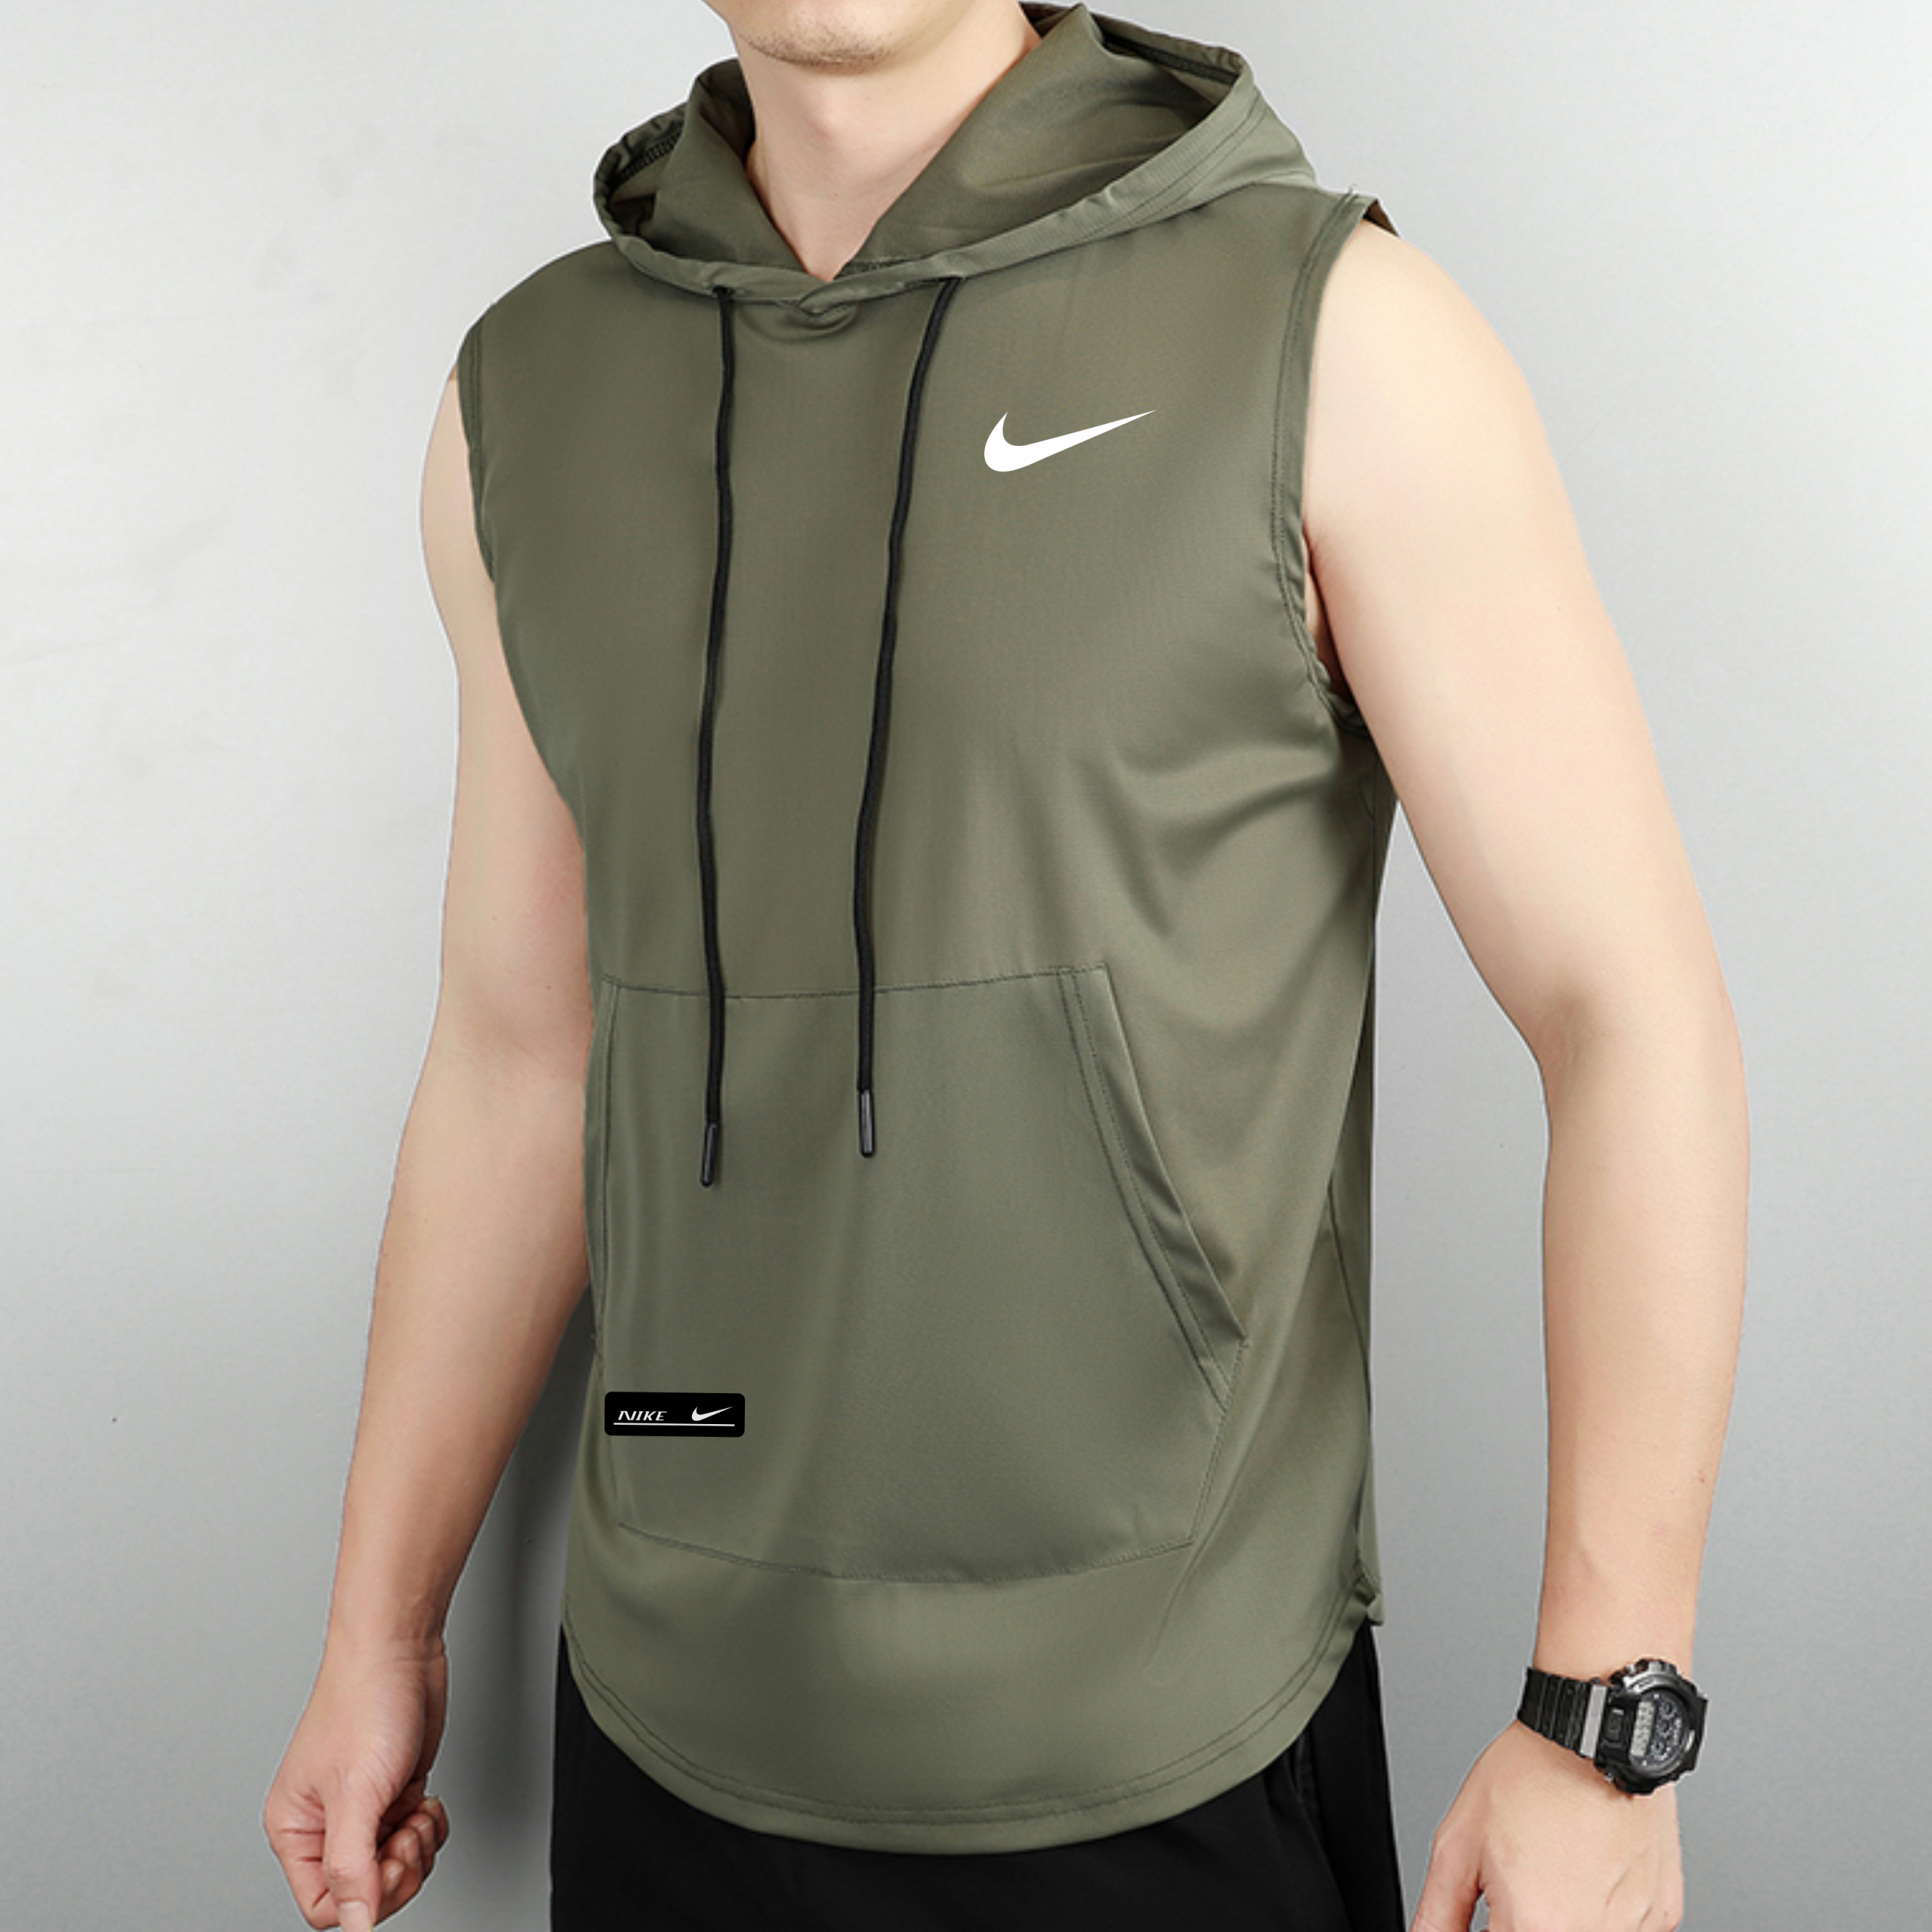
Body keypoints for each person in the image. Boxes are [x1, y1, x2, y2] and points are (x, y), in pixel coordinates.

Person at [262, 3, 1748, 1929]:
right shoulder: (524, 394)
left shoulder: (1330, 331)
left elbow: (1625, 1012)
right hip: (665, 1737)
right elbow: (520, 1056)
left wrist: (1600, 1720)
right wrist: (379, 1625)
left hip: (1171, 1733)